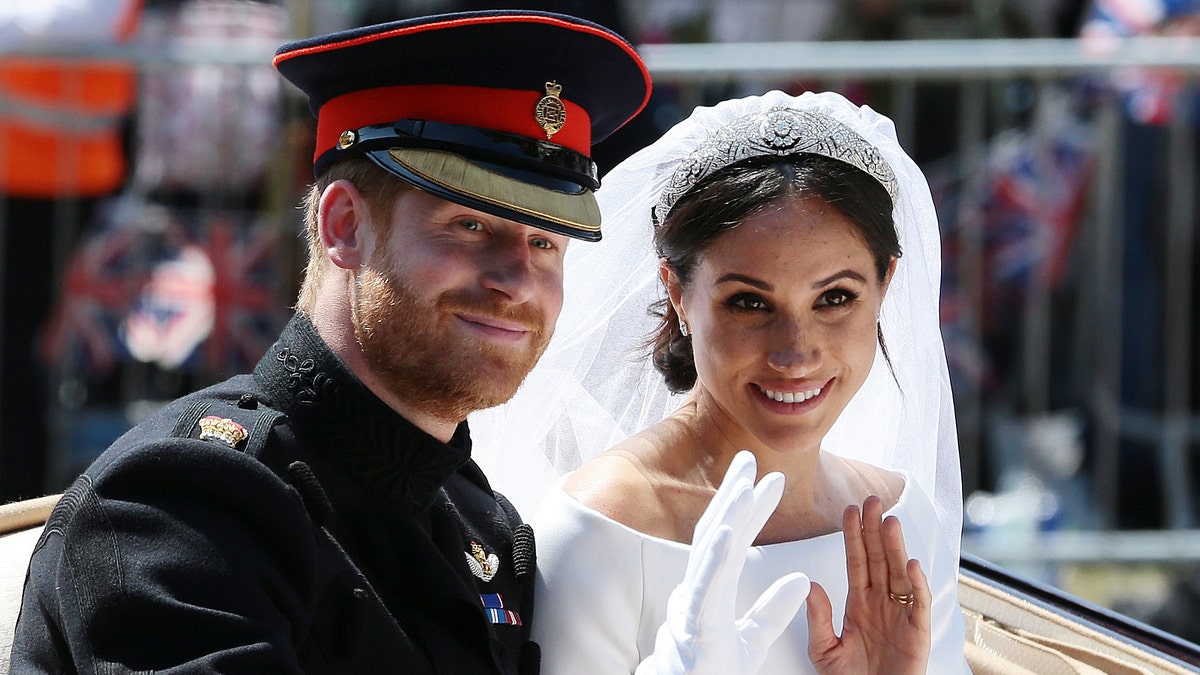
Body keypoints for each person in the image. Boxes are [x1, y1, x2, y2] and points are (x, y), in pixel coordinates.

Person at [10, 10, 651, 673]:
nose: (519, 279)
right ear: (344, 224)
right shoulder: (188, 503)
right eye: (470, 224)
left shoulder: (479, 521)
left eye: (545, 241)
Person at [471, 90, 968, 672]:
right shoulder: (600, 530)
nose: (795, 352)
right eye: (749, 303)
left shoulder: (901, 522)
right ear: (678, 293)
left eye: (835, 297)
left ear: (885, 286)